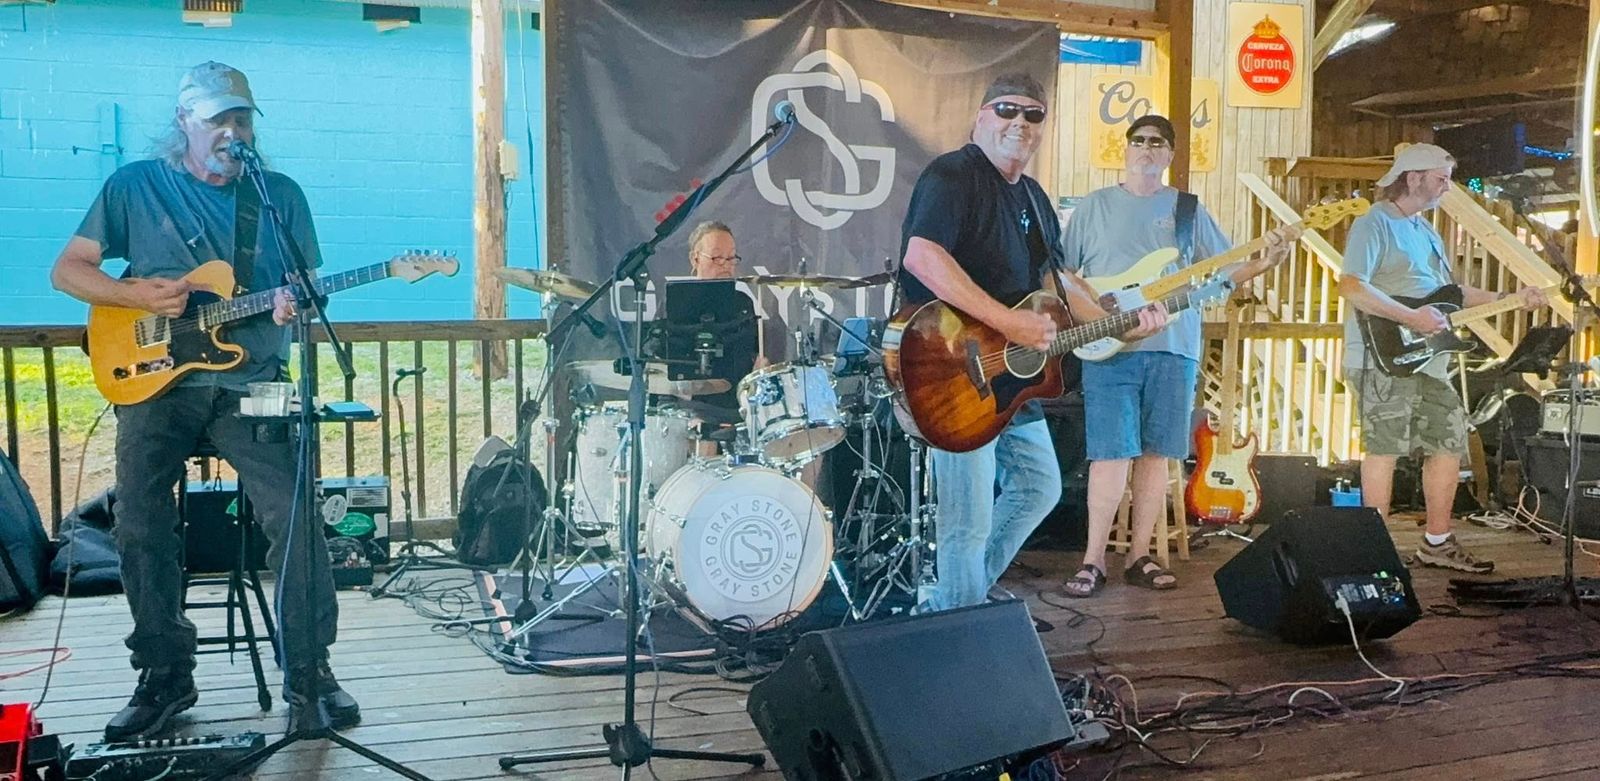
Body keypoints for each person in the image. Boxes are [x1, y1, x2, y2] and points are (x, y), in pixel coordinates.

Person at [49, 61, 358, 740]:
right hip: (156, 381)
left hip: (252, 385)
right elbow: (67, 270)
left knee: (297, 517)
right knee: (138, 521)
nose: (231, 131)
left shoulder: (277, 196)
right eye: (217, 118)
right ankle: (164, 673)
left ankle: (311, 672)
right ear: (183, 122)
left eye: (241, 118)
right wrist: (133, 294)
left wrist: (295, 305)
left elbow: (308, 290)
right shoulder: (134, 185)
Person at [897, 74, 1166, 613]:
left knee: (1040, 488)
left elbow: (1057, 281)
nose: (1019, 122)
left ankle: (956, 602)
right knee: (967, 521)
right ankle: (962, 630)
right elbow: (922, 256)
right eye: (1006, 110)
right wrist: (1008, 322)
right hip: (953, 369)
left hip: (1011, 378)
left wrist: (1118, 324)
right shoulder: (953, 175)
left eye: (1033, 114)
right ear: (980, 117)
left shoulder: (1035, 199)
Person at [1061, 114, 1299, 597]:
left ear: (1169, 154)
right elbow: (1062, 273)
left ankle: (1140, 556)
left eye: (1157, 142)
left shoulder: (1187, 210)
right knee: (1110, 454)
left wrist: (1266, 260)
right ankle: (1092, 560)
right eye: (1139, 141)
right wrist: (1097, 314)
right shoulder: (1094, 206)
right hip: (1108, 347)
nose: (1147, 149)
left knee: (1157, 453)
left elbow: (1225, 271)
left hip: (1174, 347)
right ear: (1125, 149)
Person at [1339, 143, 1545, 573]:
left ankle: (1437, 541)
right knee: (1384, 448)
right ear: (1413, 178)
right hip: (1382, 357)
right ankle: (1373, 549)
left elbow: (1453, 293)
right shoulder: (1373, 223)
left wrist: (1509, 297)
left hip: (1429, 360)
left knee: (1449, 441)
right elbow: (1353, 286)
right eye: (1441, 179)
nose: (1447, 188)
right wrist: (1410, 317)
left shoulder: (1426, 231)